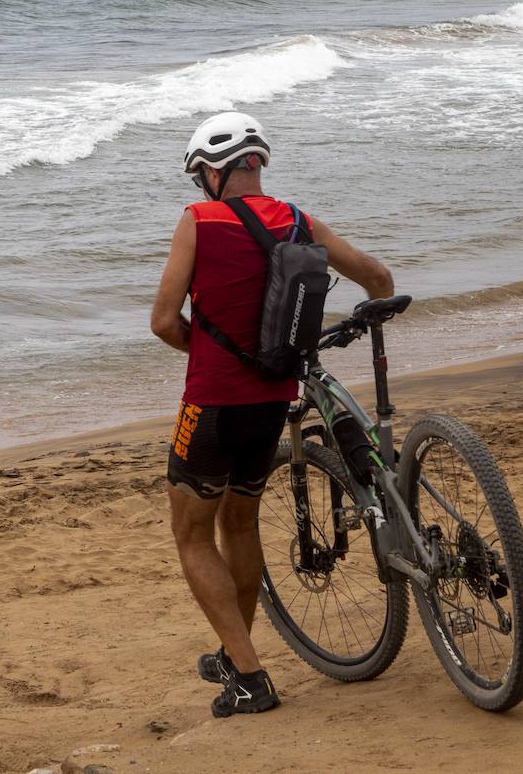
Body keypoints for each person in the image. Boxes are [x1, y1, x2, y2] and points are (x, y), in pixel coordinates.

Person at [149, 111, 394, 717]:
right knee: (239, 526)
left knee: (191, 535)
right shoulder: (298, 221)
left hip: (210, 405)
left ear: (212, 171)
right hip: (272, 401)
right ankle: (236, 655)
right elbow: (378, 278)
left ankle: (251, 677)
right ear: (255, 163)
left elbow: (161, 321)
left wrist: (206, 352)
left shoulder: (197, 221)